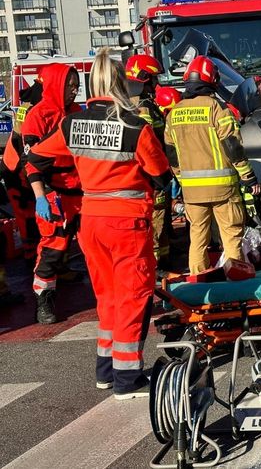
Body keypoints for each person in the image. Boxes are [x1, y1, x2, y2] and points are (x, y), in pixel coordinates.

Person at [27, 48, 172, 399]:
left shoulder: (72, 123)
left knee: (106, 297)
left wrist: (41, 194)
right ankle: (127, 378)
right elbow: (161, 175)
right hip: (126, 222)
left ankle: (106, 371)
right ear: (122, 83)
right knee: (133, 297)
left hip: (90, 219)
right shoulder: (134, 125)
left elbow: (35, 157)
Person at [164, 55, 259, 274]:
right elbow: (233, 146)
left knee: (197, 237)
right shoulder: (217, 109)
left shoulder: (173, 114)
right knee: (231, 234)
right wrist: (248, 176)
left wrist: (182, 177)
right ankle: (236, 285)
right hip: (223, 189)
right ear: (213, 80)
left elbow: (171, 154)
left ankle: (199, 287)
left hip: (192, 191)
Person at [22, 63, 83, 324]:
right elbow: (32, 162)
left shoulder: (77, 112)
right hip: (52, 192)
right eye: (70, 86)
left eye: (76, 86)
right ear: (57, 85)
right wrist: (40, 197)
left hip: (81, 190)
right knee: (52, 249)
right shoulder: (38, 115)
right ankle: (44, 299)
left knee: (93, 245)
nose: (74, 90)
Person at [125, 54, 171, 270]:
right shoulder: (142, 109)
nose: (156, 84)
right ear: (143, 79)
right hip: (150, 174)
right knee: (156, 216)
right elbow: (147, 145)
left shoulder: (136, 104)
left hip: (151, 172)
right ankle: (155, 263)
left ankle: (162, 254)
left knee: (160, 215)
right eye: (153, 79)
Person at [0, 76, 42, 269]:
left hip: (16, 165)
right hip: (16, 169)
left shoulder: (28, 104)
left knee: (28, 215)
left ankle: (33, 255)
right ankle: (31, 257)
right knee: (27, 216)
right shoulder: (34, 108)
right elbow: (25, 145)